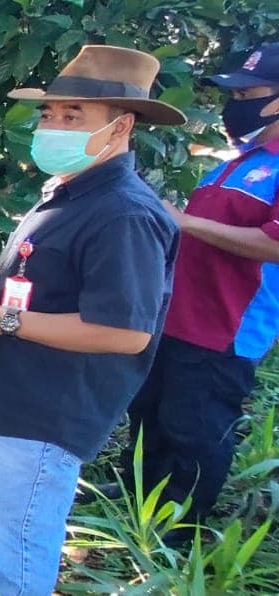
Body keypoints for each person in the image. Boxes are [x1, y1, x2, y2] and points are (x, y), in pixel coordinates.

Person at [0, 45, 184, 595]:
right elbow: (52, 279)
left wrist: (5, 323)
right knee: (6, 529)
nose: (53, 124)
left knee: (21, 539)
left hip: (45, 412)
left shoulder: (125, 214)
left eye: (74, 116)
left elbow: (125, 331)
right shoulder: (73, 190)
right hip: (22, 397)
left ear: (120, 128)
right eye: (49, 114)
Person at [86, 42, 279, 530]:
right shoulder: (239, 161)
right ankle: (139, 491)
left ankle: (177, 527)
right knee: (150, 408)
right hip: (175, 311)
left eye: (250, 92)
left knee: (196, 426)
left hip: (226, 326)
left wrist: (186, 223)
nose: (237, 102)